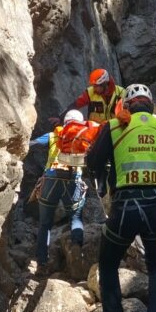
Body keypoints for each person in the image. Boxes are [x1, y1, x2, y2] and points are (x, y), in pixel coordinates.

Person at [86, 83, 156, 312]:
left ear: (127, 105)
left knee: (108, 263)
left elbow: (93, 162)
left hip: (125, 207)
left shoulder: (114, 126)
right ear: (152, 105)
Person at [29, 109, 98, 277]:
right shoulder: (84, 136)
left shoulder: (54, 135)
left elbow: (33, 143)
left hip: (51, 177)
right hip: (73, 178)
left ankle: (42, 264)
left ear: (64, 122)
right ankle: (76, 246)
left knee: (45, 224)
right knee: (75, 218)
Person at [62, 68, 126, 125]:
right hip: (95, 130)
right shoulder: (90, 92)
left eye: (96, 86)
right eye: (93, 85)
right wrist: (60, 117)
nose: (94, 88)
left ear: (104, 84)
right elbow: (75, 105)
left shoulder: (121, 93)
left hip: (114, 128)